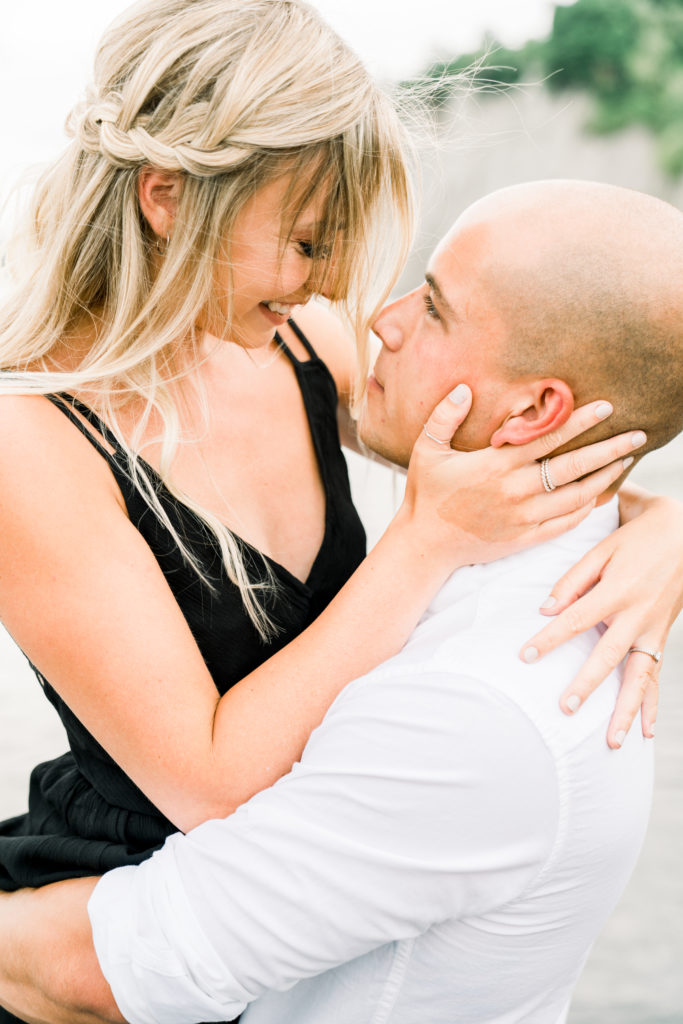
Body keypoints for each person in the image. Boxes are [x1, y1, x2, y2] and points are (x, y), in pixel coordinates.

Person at [1, 178, 682, 1024]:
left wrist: (659, 519)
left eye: (429, 304)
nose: (366, 311)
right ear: (167, 199)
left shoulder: (477, 709)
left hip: (161, 926)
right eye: (306, 239)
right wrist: (433, 537)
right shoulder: (38, 434)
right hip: (85, 884)